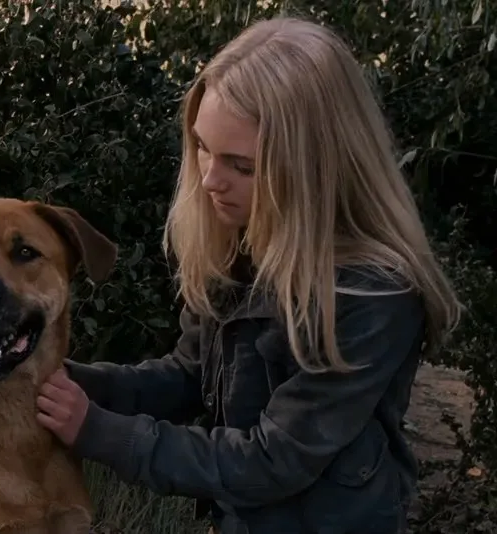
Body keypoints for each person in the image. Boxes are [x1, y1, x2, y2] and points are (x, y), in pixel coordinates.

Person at [33, 16, 463, 534]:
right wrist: (64, 379)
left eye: (242, 166)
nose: (210, 180)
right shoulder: (239, 246)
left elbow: (271, 460)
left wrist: (99, 431)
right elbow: (187, 376)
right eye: (202, 147)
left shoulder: (373, 294)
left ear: (314, 167)